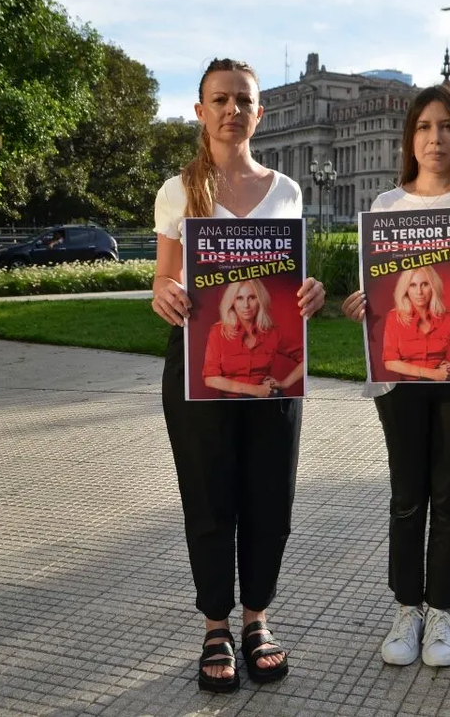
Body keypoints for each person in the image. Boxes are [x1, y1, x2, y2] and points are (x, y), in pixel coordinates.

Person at [151, 58, 325, 693]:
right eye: (220, 100)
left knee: (270, 498)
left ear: (260, 113)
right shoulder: (179, 190)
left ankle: (258, 619)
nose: (232, 110)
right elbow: (163, 279)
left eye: (243, 101)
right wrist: (163, 294)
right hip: (201, 364)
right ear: (200, 111)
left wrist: (311, 293)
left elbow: (289, 281)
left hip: (275, 369)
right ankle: (215, 626)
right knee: (208, 496)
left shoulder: (287, 191)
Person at [341, 84, 450, 668]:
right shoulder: (386, 206)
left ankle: (442, 613)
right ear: (409, 138)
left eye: (445, 127)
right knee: (407, 495)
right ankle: (406, 609)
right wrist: (362, 305)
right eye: (423, 127)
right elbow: (379, 293)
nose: (434, 138)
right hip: (400, 377)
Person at [203, 279, 304, 398]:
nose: (246, 305)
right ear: (232, 302)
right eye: (239, 298)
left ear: (260, 300)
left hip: (265, 401)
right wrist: (255, 390)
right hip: (230, 403)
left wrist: (284, 384)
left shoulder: (272, 333)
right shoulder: (218, 332)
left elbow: (306, 359)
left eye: (252, 297)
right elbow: (211, 378)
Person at [382, 265, 450, 382]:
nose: (419, 292)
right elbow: (390, 362)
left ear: (433, 286)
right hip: (411, 385)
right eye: (413, 285)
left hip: (444, 383)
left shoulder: (447, 318)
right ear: (406, 289)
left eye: (425, 284)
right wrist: (432, 374)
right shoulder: (395, 318)